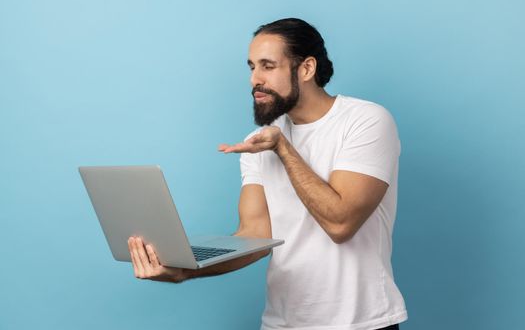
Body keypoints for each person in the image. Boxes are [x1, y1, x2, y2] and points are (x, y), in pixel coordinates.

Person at [127, 18, 407, 330]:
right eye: (251, 67)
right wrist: (184, 270)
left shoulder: (365, 121)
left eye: (267, 66)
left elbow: (341, 223)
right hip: (281, 324)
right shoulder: (259, 140)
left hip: (361, 323)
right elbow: (255, 236)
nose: (255, 80)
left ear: (306, 68)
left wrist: (283, 150)